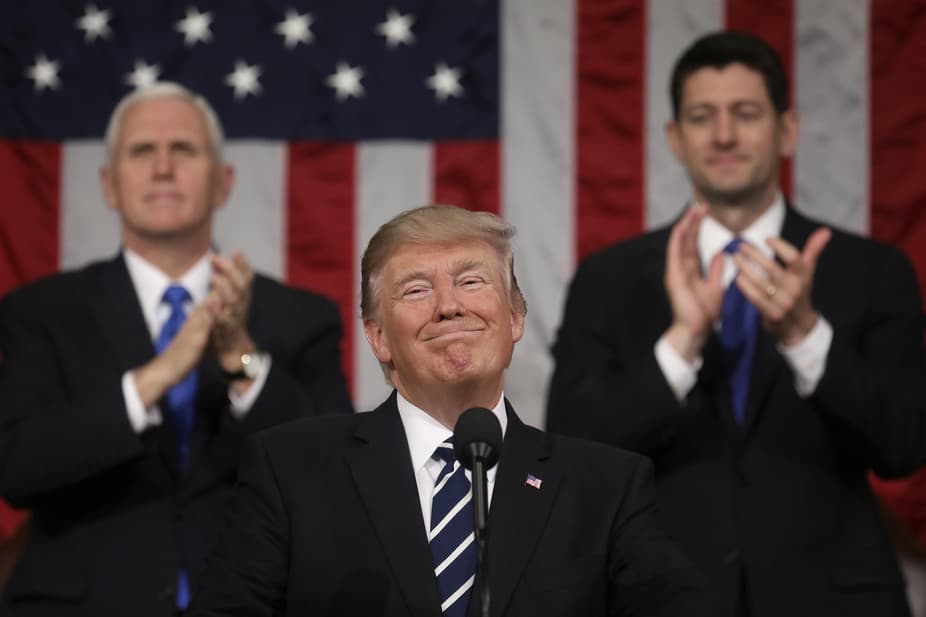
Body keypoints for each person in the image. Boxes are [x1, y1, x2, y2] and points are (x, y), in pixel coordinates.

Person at [546, 30, 926, 617]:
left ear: (788, 129)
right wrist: (681, 344)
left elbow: (902, 445)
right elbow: (571, 450)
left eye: (745, 113)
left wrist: (806, 336)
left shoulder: (871, 271)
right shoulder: (609, 278)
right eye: (702, 117)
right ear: (675, 137)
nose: (724, 134)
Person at [187, 205, 708, 617]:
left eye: (472, 281)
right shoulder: (292, 470)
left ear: (515, 317)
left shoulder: (605, 487)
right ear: (378, 338)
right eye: (416, 290)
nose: (449, 305)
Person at [0, 82, 354, 616]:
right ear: (108, 185)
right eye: (142, 151)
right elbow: (18, 468)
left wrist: (242, 359)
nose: (162, 168)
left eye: (183, 150)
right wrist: (154, 378)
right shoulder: (42, 312)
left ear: (223, 182)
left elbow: (335, 474)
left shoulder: (299, 316)